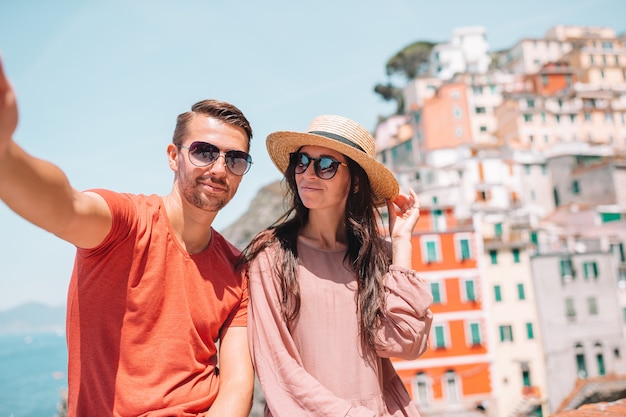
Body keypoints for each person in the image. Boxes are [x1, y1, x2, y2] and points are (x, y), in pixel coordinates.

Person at [0, 56, 254, 416]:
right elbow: (65, 205)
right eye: (204, 151)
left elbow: (237, 384)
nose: (218, 168)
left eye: (236, 159)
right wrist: (4, 152)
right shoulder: (124, 224)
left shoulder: (237, 271)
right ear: (173, 156)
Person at [242, 114, 434, 416]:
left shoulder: (377, 257)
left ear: (355, 181)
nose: (309, 173)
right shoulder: (271, 256)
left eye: (326, 165)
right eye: (301, 161)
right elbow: (278, 365)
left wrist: (401, 243)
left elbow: (405, 343)